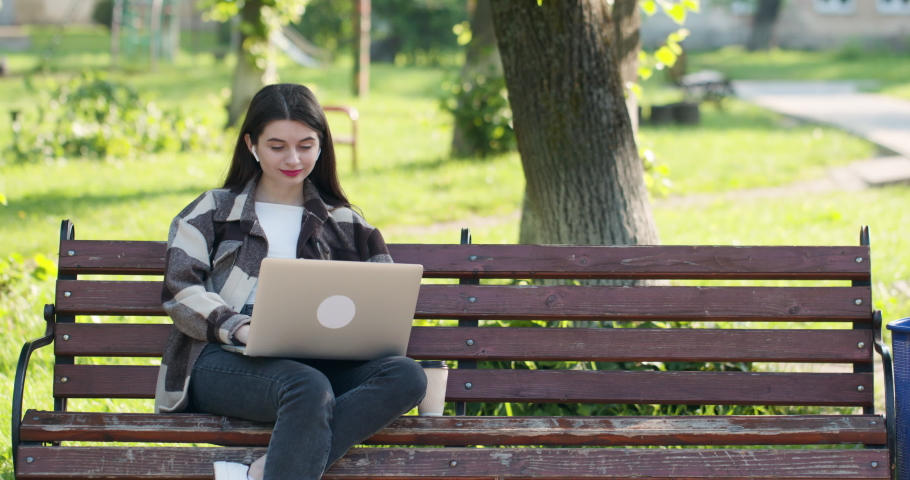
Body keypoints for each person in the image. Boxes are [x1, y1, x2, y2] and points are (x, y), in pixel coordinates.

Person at [155, 83, 427, 480]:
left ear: (322, 145)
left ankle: (263, 472)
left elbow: (385, 299)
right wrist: (241, 327)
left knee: (407, 376)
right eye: (277, 146)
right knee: (307, 388)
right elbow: (181, 290)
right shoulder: (213, 210)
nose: (293, 159)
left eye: (306, 145)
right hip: (222, 359)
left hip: (320, 362)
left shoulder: (346, 223)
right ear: (252, 144)